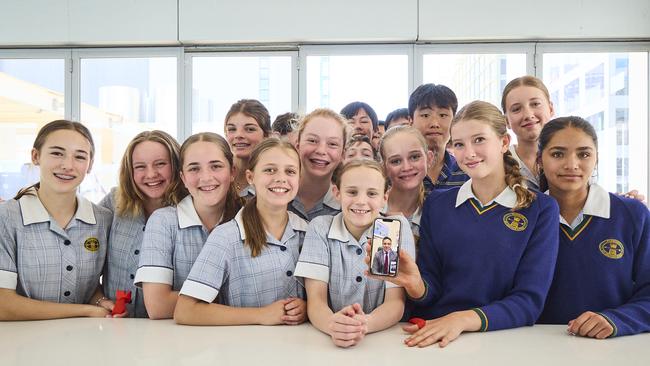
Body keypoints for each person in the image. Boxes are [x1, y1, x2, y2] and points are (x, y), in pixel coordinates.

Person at [370, 101, 560, 347]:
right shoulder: (437, 204)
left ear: (504, 142)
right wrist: (416, 284)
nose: (469, 153)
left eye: (479, 140)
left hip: (503, 339)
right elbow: (432, 289)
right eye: (459, 144)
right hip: (434, 335)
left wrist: (462, 320)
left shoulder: (540, 209)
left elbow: (529, 301)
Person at [536, 116, 650, 338]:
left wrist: (617, 319)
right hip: (536, 346)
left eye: (584, 154)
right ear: (540, 160)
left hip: (613, 347)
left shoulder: (633, 214)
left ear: (596, 159)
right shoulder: (526, 218)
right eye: (558, 154)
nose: (572, 164)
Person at [174, 138, 308, 326]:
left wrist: (305, 308)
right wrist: (261, 315)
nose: (280, 178)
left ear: (299, 179)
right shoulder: (226, 237)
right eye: (269, 170)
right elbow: (186, 311)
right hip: (242, 350)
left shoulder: (309, 234)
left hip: (299, 349)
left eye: (290, 171)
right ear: (250, 177)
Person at [0, 120, 116, 320]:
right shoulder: (7, 218)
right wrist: (86, 311)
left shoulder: (103, 220)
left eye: (80, 157)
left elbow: (89, 286)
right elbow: (3, 304)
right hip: (20, 345)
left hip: (83, 343)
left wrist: (99, 301)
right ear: (35, 156)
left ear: (89, 165)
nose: (68, 165)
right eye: (57, 153)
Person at [294, 159, 415, 348]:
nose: (361, 201)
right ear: (337, 193)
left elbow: (395, 303)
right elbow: (316, 301)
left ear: (385, 197)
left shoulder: (392, 229)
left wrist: (362, 325)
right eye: (352, 192)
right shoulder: (320, 228)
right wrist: (333, 325)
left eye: (372, 193)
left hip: (382, 341)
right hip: (327, 340)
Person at [133, 132, 241, 319]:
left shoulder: (250, 218)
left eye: (216, 166)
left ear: (232, 172)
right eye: (194, 169)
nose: (206, 177)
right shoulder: (163, 222)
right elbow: (157, 306)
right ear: (182, 177)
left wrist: (198, 303)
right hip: (179, 341)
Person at [100, 130, 186, 318]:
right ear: (130, 171)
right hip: (119, 328)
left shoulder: (192, 210)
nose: (151, 174)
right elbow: (88, 265)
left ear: (177, 165)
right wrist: (99, 300)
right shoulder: (113, 203)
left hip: (173, 329)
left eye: (161, 164)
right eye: (140, 167)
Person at [409, 84, 469, 194]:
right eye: (426, 115)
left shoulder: (467, 171)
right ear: (410, 121)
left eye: (443, 115)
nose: (435, 124)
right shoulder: (401, 171)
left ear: (454, 121)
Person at [379, 125, 434, 242]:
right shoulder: (371, 207)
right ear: (383, 168)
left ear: (429, 159)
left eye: (414, 157)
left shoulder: (438, 211)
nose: (407, 167)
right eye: (396, 161)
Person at [290, 108, 346, 221]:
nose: (321, 150)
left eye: (332, 144)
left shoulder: (347, 207)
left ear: (343, 154)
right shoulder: (275, 195)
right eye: (312, 140)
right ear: (297, 146)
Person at [224, 99, 271, 198]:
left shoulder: (273, 179)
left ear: (267, 136)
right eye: (232, 129)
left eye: (250, 129)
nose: (239, 135)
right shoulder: (219, 175)